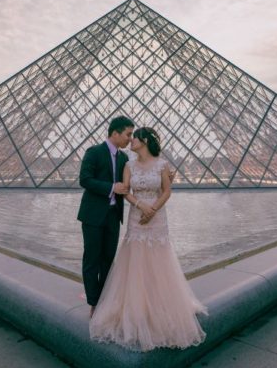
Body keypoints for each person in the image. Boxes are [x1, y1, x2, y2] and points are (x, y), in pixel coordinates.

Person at [90, 127, 206, 351]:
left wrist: (152, 209)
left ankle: (158, 305)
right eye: (129, 135)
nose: (131, 140)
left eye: (134, 137)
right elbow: (125, 191)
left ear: (144, 141)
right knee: (135, 262)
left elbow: (166, 191)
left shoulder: (162, 164)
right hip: (137, 215)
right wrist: (142, 206)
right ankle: (138, 308)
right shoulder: (128, 164)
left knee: (158, 262)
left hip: (157, 217)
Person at [78, 116, 135, 318]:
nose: (130, 139)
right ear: (115, 133)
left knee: (108, 260)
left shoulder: (124, 158)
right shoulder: (94, 152)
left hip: (113, 216)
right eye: (128, 134)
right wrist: (111, 188)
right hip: (93, 215)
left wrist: (165, 175)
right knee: (92, 259)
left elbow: (135, 178)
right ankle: (94, 303)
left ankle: (103, 300)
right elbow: (84, 179)